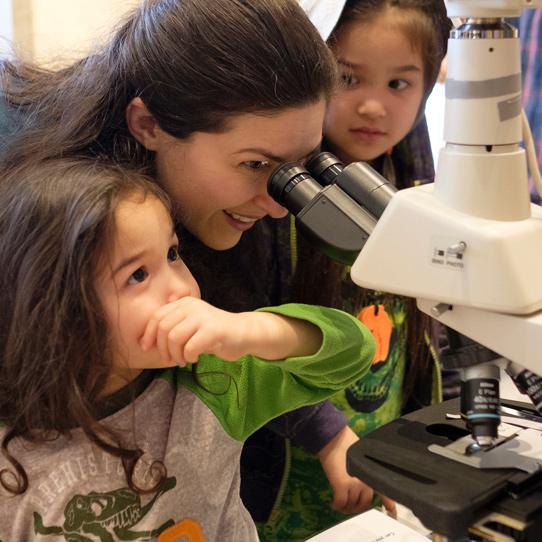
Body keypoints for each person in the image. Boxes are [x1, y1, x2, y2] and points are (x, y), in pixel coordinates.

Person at [0, 157, 378, 541]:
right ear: (53, 315)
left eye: (172, 254)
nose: (180, 288)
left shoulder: (213, 379)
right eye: (137, 275)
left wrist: (250, 329)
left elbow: (355, 350)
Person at [249, 1, 452, 539]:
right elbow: (244, 345)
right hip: (279, 484)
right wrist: (326, 434)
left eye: (399, 84)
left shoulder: (412, 194)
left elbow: (438, 338)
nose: (372, 106)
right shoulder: (271, 209)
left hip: (377, 475)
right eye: (347, 78)